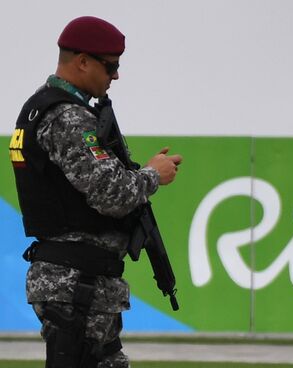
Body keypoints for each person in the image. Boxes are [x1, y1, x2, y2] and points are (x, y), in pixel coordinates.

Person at [9, 16, 182, 368]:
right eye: (110, 66)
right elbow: (111, 194)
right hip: (76, 284)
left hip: (79, 282)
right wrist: (153, 175)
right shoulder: (68, 118)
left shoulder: (44, 109)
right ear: (83, 61)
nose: (115, 75)